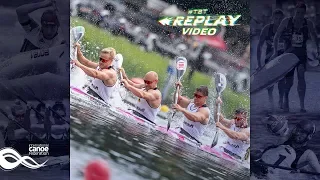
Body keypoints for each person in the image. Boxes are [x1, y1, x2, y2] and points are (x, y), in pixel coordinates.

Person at [271, 3, 319, 112]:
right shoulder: (286, 22)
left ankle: (302, 105)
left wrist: (318, 50)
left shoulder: (308, 23)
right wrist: (275, 52)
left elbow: (315, 37)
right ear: (294, 12)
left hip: (301, 55)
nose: (299, 15)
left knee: (301, 77)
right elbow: (276, 36)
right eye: (298, 13)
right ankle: (286, 98)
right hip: (288, 55)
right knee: (290, 81)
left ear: (305, 13)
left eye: (302, 13)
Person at [253, 120, 320, 177]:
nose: (297, 133)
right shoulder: (284, 140)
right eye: (297, 130)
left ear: (309, 136)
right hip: (262, 167)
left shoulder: (308, 154)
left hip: (273, 175)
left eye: (302, 132)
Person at [257, 9, 285, 111]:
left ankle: (281, 100)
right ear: (273, 19)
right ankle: (271, 100)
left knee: (282, 81)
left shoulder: (285, 29)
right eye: (276, 18)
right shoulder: (267, 29)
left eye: (280, 19)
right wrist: (259, 63)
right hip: (269, 58)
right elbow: (259, 47)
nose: (278, 20)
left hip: (283, 58)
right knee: (270, 82)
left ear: (283, 19)